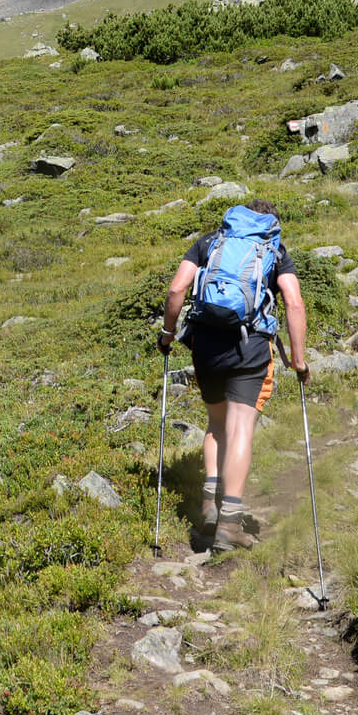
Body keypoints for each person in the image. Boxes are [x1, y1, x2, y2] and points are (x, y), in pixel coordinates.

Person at [156, 198, 308, 551]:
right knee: (241, 427)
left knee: (216, 424)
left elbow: (177, 288)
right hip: (250, 346)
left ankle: (209, 505)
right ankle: (230, 524)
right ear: (270, 221)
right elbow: (294, 302)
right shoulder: (273, 249)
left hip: (205, 345)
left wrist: (167, 334)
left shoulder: (209, 243)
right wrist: (297, 360)